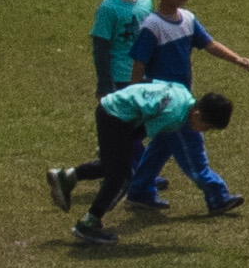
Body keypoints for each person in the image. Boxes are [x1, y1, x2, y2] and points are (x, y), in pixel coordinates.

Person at [122, 0, 249, 216]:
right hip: (171, 104)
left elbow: (208, 44)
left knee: (161, 146)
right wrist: (134, 95)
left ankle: (139, 190)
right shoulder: (152, 26)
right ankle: (217, 196)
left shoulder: (187, 19)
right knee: (193, 151)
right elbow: (139, 62)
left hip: (181, 99)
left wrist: (236, 58)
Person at [74, 85, 232, 245]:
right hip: (115, 116)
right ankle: (88, 224)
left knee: (116, 167)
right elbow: (138, 133)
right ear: (198, 115)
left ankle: (70, 176)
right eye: (208, 127)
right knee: (121, 176)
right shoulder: (176, 117)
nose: (204, 131)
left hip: (112, 109)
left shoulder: (184, 96)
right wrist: (113, 145)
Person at [56, 0, 149, 209]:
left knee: (136, 128)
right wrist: (104, 85)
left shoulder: (145, 2)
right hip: (120, 78)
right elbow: (101, 47)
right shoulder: (108, 9)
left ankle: (137, 171)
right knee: (128, 130)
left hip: (140, 75)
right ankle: (134, 174)